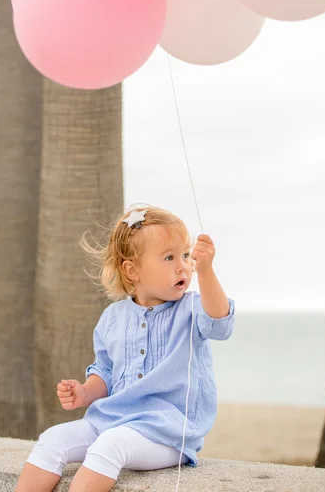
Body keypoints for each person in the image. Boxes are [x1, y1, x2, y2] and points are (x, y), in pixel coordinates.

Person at [15, 205, 235, 492]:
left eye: (185, 255)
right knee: (52, 439)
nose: (183, 265)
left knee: (111, 445)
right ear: (133, 270)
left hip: (168, 433)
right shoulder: (113, 318)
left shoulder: (192, 309)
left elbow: (220, 324)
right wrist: (84, 391)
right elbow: (106, 372)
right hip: (112, 419)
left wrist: (205, 271)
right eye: (169, 257)